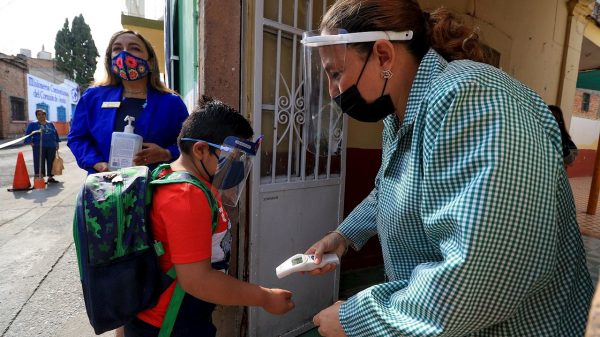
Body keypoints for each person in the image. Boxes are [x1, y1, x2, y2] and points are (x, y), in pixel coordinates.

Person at [300, 1, 593, 336]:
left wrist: (356, 319)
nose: (332, 90)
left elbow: (481, 276)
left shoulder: (469, 97)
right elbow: (391, 186)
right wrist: (341, 237)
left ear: (383, 56)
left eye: (336, 73)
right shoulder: (401, 115)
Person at [123, 97, 294, 336]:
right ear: (200, 150)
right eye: (232, 157)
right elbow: (198, 281)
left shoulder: (169, 175)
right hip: (170, 325)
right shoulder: (186, 195)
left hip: (169, 316)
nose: (236, 166)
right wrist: (264, 297)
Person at [68, 30, 188, 174]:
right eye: (117, 49)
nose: (124, 54)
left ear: (150, 62)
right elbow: (77, 138)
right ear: (110, 60)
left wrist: (166, 153)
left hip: (155, 187)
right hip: (104, 188)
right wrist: (96, 162)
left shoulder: (171, 103)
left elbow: (188, 141)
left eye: (134, 48)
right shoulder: (93, 97)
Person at [24, 108, 60, 183]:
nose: (41, 116)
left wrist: (57, 143)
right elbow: (27, 134)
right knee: (39, 162)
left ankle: (50, 177)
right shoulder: (33, 124)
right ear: (36, 116)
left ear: (45, 115)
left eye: (43, 114)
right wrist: (30, 142)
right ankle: (40, 178)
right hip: (38, 147)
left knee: (51, 161)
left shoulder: (50, 123)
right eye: (39, 114)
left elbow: (55, 133)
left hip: (51, 146)